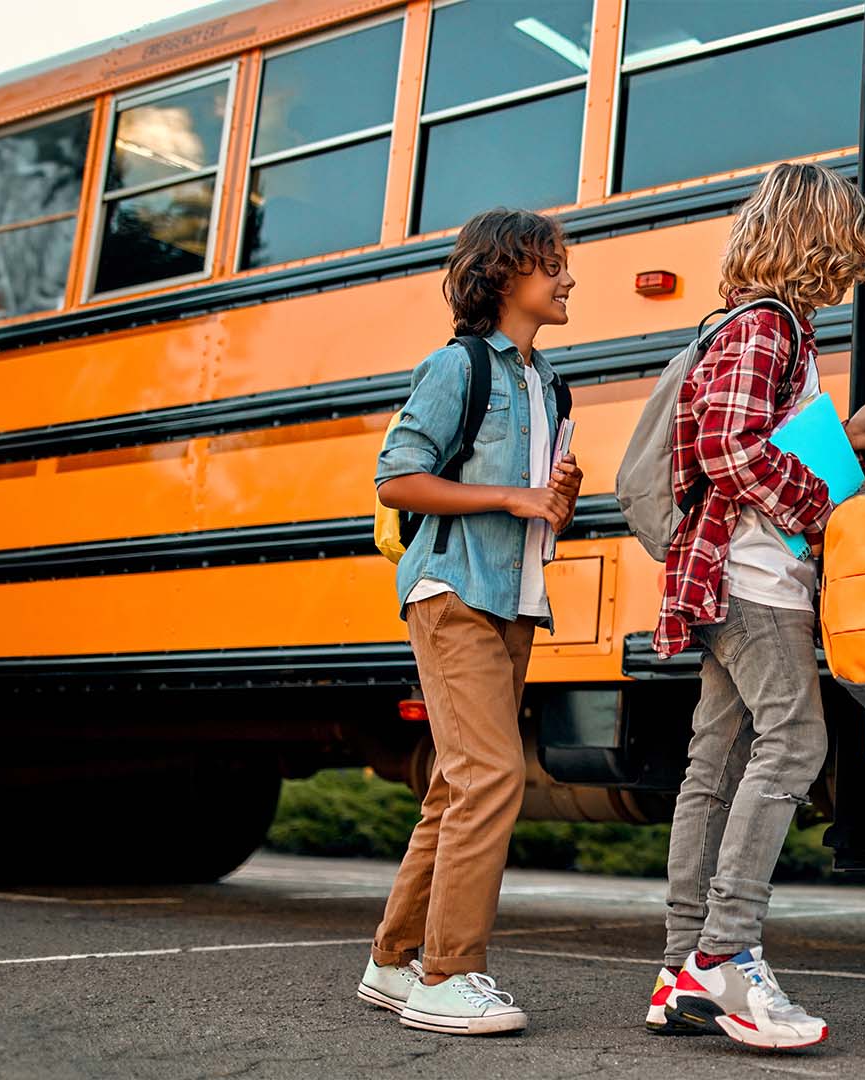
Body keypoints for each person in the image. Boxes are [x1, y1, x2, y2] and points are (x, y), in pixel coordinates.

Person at [648, 162, 865, 1051]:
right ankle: (728, 953)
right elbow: (727, 445)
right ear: (817, 241)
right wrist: (829, 505)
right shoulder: (768, 325)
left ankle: (683, 971)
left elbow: (749, 436)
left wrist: (846, 437)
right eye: (851, 251)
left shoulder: (749, 324)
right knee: (797, 739)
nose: (856, 270)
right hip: (753, 580)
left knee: (713, 767)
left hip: (724, 573)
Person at [358, 208, 583, 1035]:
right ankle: (449, 974)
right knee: (492, 776)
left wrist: (556, 498)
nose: (568, 277)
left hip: (514, 597)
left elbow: (534, 500)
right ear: (503, 273)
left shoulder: (549, 383)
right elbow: (398, 480)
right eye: (552, 263)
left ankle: (393, 962)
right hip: (452, 591)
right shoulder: (457, 369)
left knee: (457, 785)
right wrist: (511, 494)